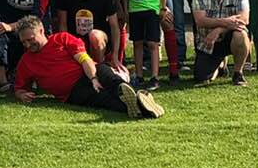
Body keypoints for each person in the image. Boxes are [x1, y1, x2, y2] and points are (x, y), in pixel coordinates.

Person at [14, 16, 163, 119]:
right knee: (104, 100)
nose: (28, 45)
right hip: (72, 92)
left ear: (41, 31)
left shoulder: (62, 38)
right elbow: (19, 88)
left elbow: (84, 59)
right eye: (24, 42)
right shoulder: (26, 61)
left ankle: (136, 98)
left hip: (90, 71)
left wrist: (93, 78)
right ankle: (143, 107)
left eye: (30, 40)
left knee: (112, 80)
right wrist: (21, 95)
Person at [191, 0, 250, 86]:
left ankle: (238, 73)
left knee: (240, 35)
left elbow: (244, 19)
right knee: (201, 77)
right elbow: (200, 21)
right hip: (207, 42)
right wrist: (226, 22)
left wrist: (218, 30)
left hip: (228, 37)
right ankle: (221, 64)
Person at [55, 0, 121, 70]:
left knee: (95, 36)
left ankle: (99, 69)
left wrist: (115, 55)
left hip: (99, 39)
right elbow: (62, 25)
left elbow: (114, 26)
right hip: (75, 40)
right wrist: (65, 50)